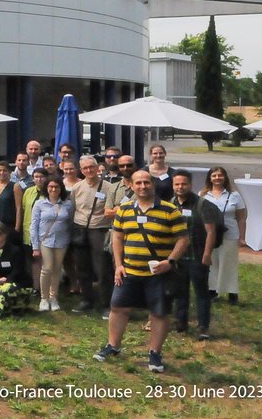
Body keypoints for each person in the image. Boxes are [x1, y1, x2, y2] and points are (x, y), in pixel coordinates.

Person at [95, 170, 188, 373]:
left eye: (146, 182)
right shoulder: (125, 209)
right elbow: (117, 237)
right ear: (133, 186)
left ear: (153, 184)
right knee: (118, 308)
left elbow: (183, 239)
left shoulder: (170, 210)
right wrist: (118, 265)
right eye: (138, 183)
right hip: (129, 271)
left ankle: (155, 353)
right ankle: (113, 345)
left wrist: (170, 262)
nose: (143, 186)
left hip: (158, 273)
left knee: (158, 313)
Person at [70, 155, 125, 315]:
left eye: (91, 167)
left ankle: (106, 303)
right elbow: (73, 208)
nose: (89, 170)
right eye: (85, 168)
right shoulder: (77, 187)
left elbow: (114, 210)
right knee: (82, 267)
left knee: (102, 269)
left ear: (97, 168)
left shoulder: (109, 188)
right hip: (80, 230)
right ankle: (86, 300)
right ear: (81, 170)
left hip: (100, 231)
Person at [171, 170, 218, 339]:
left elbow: (211, 232)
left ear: (190, 185)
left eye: (183, 184)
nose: (180, 187)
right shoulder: (171, 204)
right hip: (178, 258)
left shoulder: (202, 204)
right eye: (177, 184)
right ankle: (181, 322)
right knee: (180, 291)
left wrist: (207, 253)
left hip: (197, 256)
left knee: (201, 293)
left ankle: (203, 327)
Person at [202, 166, 245, 305]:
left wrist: (242, 237)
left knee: (229, 263)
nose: (217, 178)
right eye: (214, 175)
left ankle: (232, 292)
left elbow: (241, 218)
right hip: (209, 235)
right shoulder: (203, 194)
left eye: (220, 175)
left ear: (225, 177)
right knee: (212, 262)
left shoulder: (234, 195)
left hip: (230, 233)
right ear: (210, 178)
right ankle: (212, 290)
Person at [30, 177, 73, 312]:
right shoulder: (39, 204)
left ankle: (53, 297)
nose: (53, 189)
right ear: (46, 188)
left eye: (56, 187)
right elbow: (34, 225)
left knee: (57, 269)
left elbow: (70, 222)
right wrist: (35, 246)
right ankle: (44, 299)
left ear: (61, 189)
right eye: (51, 187)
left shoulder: (68, 204)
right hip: (45, 240)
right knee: (47, 268)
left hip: (62, 241)